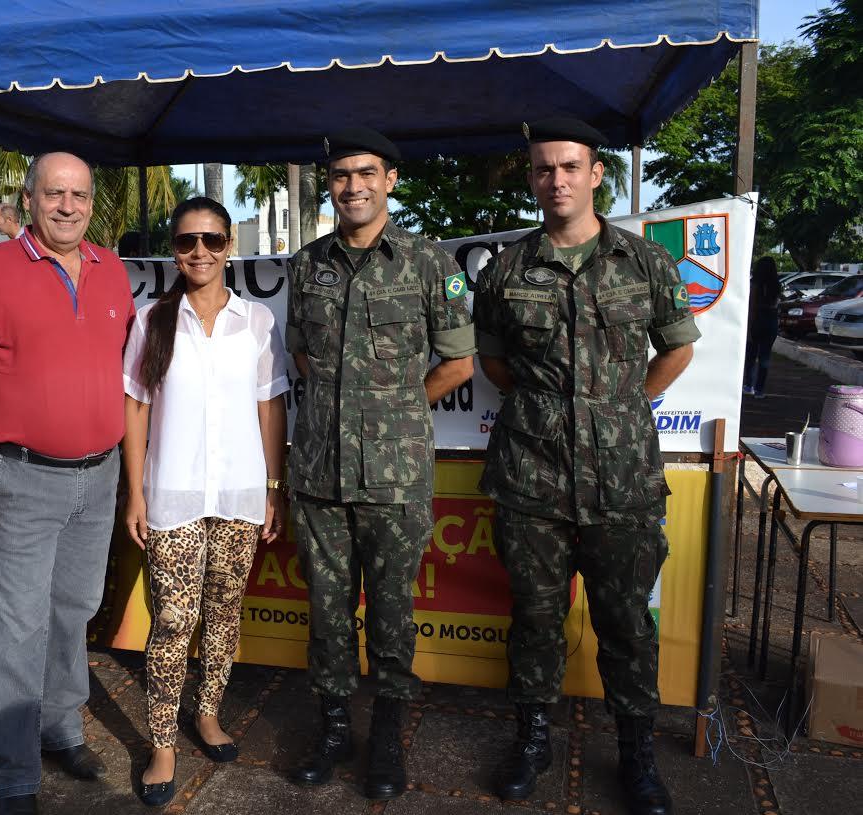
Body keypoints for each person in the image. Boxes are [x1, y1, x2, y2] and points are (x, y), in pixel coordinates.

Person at [474, 117, 700, 815]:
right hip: (531, 477)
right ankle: (533, 738)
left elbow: (677, 348)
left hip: (623, 480)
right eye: (544, 169)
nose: (557, 180)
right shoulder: (506, 268)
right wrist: (554, 411)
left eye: (570, 166)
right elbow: (494, 364)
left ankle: (636, 754)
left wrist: (619, 406)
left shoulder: (645, 262)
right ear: (533, 178)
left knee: (627, 622)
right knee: (535, 617)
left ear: (597, 173)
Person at [0, 152, 135, 815]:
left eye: (79, 194)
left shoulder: (112, 272)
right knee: (18, 625)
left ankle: (59, 725)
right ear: (29, 198)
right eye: (55, 193)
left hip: (98, 476)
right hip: (19, 476)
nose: (68, 205)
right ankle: (16, 774)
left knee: (73, 608)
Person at [285, 127, 476, 800]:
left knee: (392, 609)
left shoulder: (430, 264)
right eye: (340, 175)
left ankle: (386, 736)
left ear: (391, 179)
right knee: (328, 609)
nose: (352, 185)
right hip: (318, 472)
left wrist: (393, 410)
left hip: (395, 475)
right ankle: (334, 729)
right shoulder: (308, 264)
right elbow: (302, 354)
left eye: (366, 173)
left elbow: (457, 362)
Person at [122, 196, 289, 807]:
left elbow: (270, 406)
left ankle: (209, 713)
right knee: (172, 620)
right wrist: (135, 491)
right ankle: (162, 741)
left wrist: (273, 487)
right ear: (174, 248)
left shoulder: (258, 322)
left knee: (223, 613)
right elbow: (135, 406)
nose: (200, 252)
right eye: (188, 241)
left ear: (229, 246)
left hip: (241, 494)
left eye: (212, 241)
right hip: (174, 494)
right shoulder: (151, 320)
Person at [743, 256, 781, 398]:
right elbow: (776, 305)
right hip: (771, 321)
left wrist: (749, 327)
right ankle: (760, 390)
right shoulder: (776, 285)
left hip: (757, 320)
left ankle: (748, 385)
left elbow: (752, 307)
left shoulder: (754, 284)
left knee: (751, 356)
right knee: (765, 358)